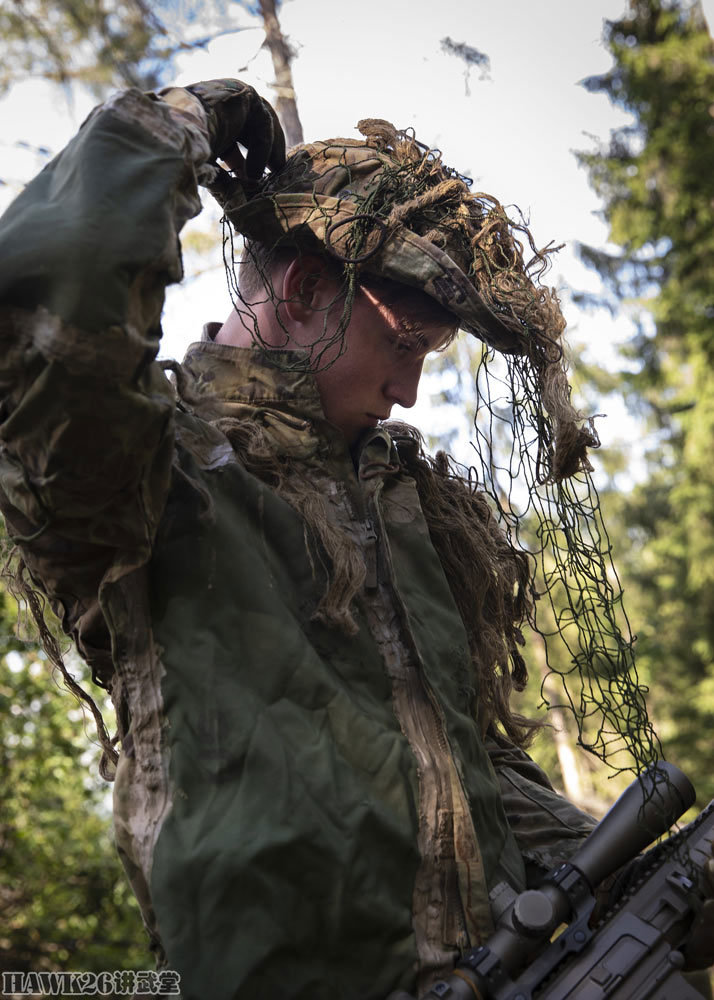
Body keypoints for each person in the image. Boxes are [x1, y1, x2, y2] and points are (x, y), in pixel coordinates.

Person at [0, 79, 710, 1000]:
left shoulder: (413, 509)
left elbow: (467, 765)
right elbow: (46, 306)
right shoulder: (146, 480)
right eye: (406, 346)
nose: (412, 393)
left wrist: (630, 880)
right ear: (300, 287)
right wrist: (170, 126)